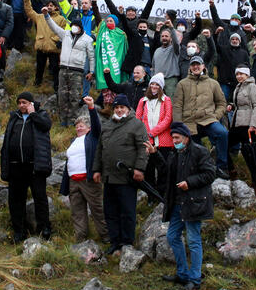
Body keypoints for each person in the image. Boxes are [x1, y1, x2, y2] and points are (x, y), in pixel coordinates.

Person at [149, 122, 216, 290]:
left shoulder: (200, 151)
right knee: (172, 237)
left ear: (186, 138)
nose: (174, 141)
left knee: (194, 240)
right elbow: (165, 171)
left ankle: (195, 278)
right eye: (173, 138)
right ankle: (183, 274)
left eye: (177, 138)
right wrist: (155, 154)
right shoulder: (175, 153)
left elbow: (210, 173)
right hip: (178, 204)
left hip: (194, 203)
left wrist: (189, 183)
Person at [96, 93, 149, 254]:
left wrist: (140, 169)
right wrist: (96, 169)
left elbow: (143, 148)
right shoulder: (106, 125)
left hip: (127, 177)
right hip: (109, 177)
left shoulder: (137, 125)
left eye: (122, 107)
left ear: (128, 108)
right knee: (110, 211)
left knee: (127, 211)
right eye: (116, 107)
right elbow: (100, 149)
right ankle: (114, 241)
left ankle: (126, 241)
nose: (119, 110)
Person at [0, 92, 53, 242]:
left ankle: (44, 229)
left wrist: (33, 114)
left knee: (40, 198)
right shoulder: (14, 117)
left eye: (25, 102)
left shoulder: (41, 114)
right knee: (16, 200)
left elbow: (46, 126)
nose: (22, 105)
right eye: (19, 103)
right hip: (16, 166)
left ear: (31, 103)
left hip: (35, 166)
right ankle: (19, 231)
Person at [60, 96, 107, 242]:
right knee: (77, 211)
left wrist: (92, 107)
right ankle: (81, 238)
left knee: (98, 209)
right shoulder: (73, 141)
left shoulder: (92, 137)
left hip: (89, 180)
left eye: (82, 125)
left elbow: (97, 125)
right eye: (77, 125)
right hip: (74, 181)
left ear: (89, 127)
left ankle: (106, 237)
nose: (78, 127)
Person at [174, 56, 229, 178]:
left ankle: (222, 167)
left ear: (203, 66)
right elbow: (177, 106)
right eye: (193, 65)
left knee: (222, 133)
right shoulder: (182, 84)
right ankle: (200, 170)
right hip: (189, 122)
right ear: (190, 67)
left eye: (198, 64)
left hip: (208, 120)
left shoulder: (213, 83)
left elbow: (222, 104)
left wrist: (215, 116)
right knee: (194, 148)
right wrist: (178, 126)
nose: (196, 67)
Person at [47, 14, 95, 126]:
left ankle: (73, 121)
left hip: (77, 71)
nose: (74, 27)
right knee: (62, 96)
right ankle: (62, 121)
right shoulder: (65, 34)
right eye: (72, 25)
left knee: (74, 96)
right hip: (63, 69)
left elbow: (91, 56)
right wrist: (46, 16)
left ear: (80, 27)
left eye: (76, 26)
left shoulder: (87, 39)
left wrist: (91, 71)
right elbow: (53, 26)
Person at [227, 66, 256, 193]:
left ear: (247, 75)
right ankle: (231, 170)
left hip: (248, 126)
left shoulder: (253, 87)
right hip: (237, 124)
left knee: (250, 155)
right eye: (237, 74)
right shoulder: (238, 87)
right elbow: (239, 104)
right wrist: (231, 106)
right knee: (224, 143)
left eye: (242, 74)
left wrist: (253, 125)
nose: (239, 76)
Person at [136, 73, 173, 191]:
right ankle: (151, 194)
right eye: (152, 83)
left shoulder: (166, 100)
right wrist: (145, 134)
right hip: (147, 141)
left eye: (157, 84)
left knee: (163, 169)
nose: (154, 86)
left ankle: (163, 193)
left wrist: (153, 132)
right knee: (149, 169)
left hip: (164, 141)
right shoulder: (143, 101)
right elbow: (138, 118)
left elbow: (168, 119)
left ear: (161, 87)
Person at [24, 0, 65, 90]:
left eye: (52, 5)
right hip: (41, 46)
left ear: (56, 7)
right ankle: (37, 84)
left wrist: (58, 41)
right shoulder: (39, 17)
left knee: (55, 68)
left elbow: (63, 32)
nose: (49, 7)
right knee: (39, 67)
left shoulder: (61, 19)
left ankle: (56, 86)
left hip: (54, 47)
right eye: (48, 5)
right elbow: (29, 12)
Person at [94, 15, 128, 91]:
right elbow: (98, 18)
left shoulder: (120, 34)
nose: (108, 22)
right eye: (107, 21)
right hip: (105, 62)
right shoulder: (103, 31)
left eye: (111, 21)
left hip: (115, 64)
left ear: (115, 23)